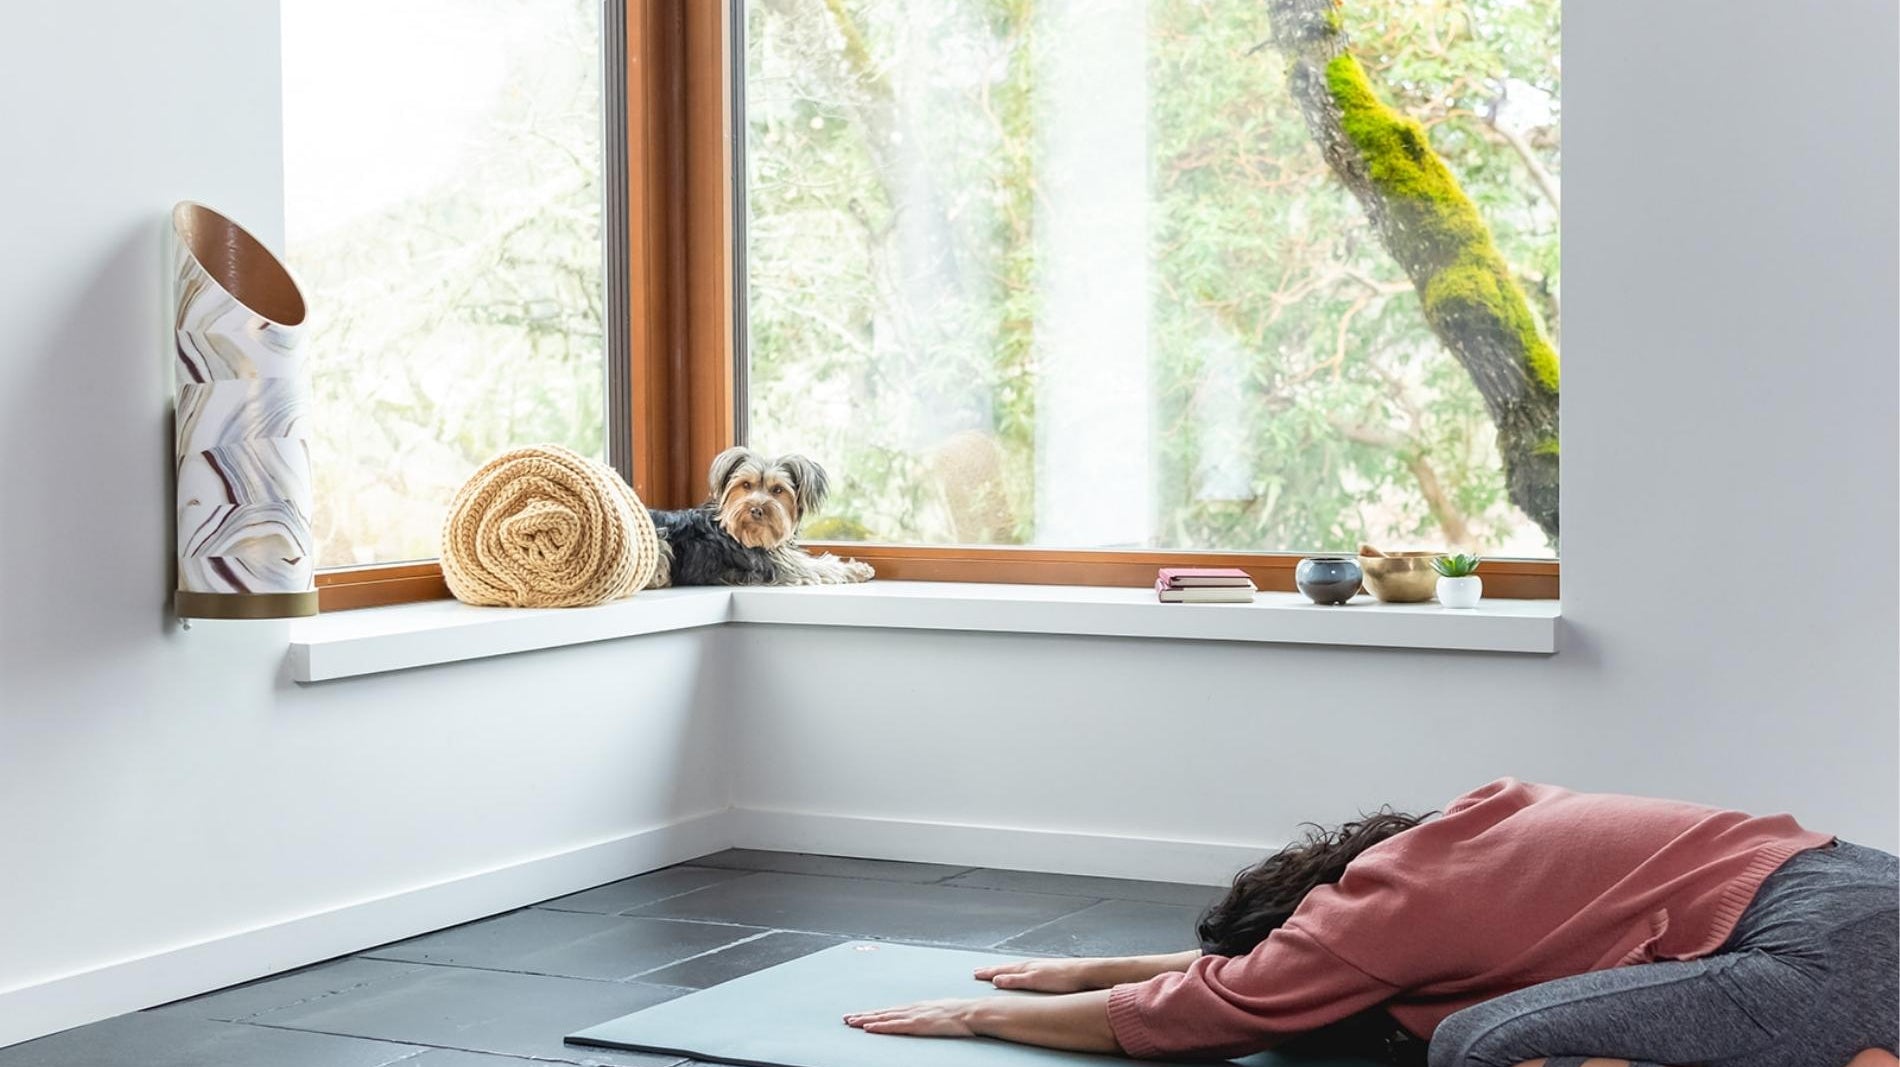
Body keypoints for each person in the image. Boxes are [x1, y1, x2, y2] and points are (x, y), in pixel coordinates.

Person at [843, 778, 1899, 1067]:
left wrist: (979, 1021)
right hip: (1857, 885)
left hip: (1813, 964)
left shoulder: (1381, 904)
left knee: (1475, 1042)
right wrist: (1105, 962)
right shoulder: (1488, 818)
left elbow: (1208, 1013)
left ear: (1315, 907)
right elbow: (1327, 961)